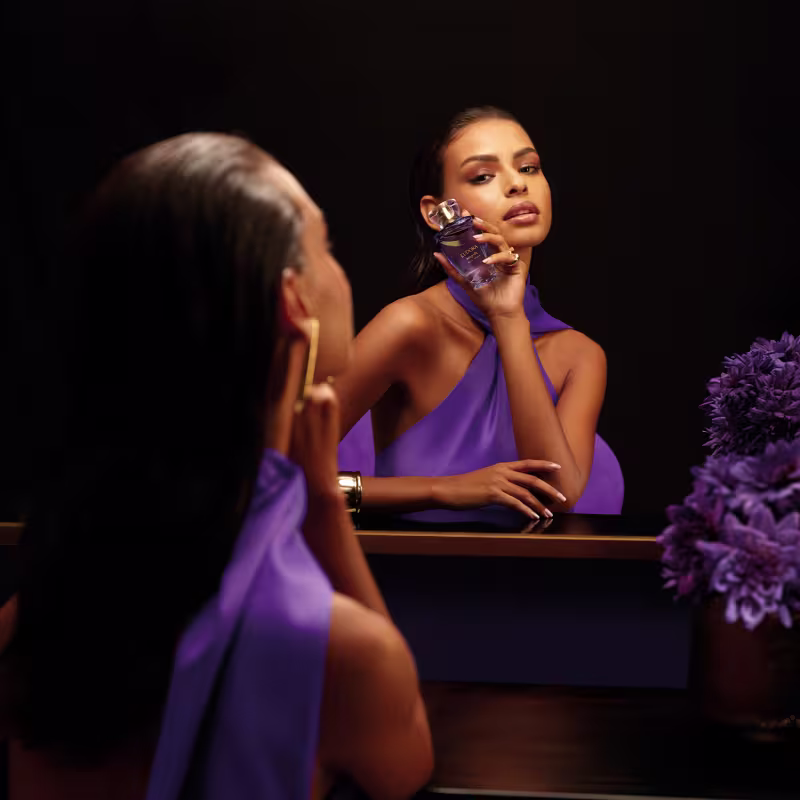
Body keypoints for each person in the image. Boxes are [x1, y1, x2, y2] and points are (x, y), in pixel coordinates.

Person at [0, 133, 433, 800]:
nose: (341, 270)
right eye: (327, 246)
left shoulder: (29, 618)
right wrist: (324, 504)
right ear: (293, 302)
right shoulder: (341, 653)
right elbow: (408, 763)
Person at [337, 107, 624, 526]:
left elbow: (558, 495)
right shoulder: (409, 326)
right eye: (483, 176)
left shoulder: (580, 355)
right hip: (409, 566)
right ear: (437, 212)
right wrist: (442, 490)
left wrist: (508, 318)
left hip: (539, 570)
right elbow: (275, 475)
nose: (517, 184)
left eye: (529, 167)